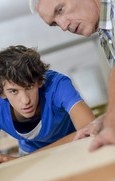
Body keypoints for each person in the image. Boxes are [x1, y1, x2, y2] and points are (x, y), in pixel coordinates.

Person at [0, 45, 94, 168]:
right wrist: (23, 159)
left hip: (72, 145)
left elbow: (89, 130)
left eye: (29, 87)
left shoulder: (57, 84)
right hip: (29, 153)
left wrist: (22, 160)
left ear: (40, 81)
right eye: (13, 91)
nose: (25, 100)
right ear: (1, 93)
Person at [29, 0, 115, 151]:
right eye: (54, 24)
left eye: (60, 10)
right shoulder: (105, 33)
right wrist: (105, 119)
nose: (63, 26)